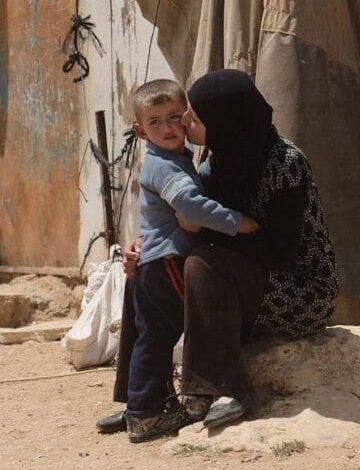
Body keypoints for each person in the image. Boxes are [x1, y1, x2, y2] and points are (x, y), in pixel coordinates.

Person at [97, 69, 338, 437]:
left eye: (194, 115)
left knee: (202, 262)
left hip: (298, 292)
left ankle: (218, 388)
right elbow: (183, 215)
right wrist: (144, 246)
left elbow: (279, 252)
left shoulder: (286, 163)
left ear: (228, 121)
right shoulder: (217, 161)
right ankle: (141, 401)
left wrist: (207, 230)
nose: (185, 121)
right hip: (243, 284)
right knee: (144, 276)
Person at [121, 78, 259, 444]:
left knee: (155, 336)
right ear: (140, 130)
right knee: (199, 320)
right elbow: (190, 206)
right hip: (167, 262)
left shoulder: (173, 159)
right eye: (155, 122)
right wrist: (237, 223)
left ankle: (143, 411)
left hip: (153, 263)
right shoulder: (165, 166)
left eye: (173, 118)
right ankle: (198, 398)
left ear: (186, 117)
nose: (167, 128)